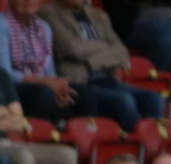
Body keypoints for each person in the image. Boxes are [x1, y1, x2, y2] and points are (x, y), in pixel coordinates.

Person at [0, 16, 77, 164]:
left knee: (66, 155)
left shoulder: (1, 75)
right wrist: (1, 111)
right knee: (23, 157)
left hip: (5, 143)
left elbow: (16, 121)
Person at [42, 0, 163, 129]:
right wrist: (104, 46)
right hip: (81, 82)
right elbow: (72, 48)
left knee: (154, 99)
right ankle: (125, 144)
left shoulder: (98, 15)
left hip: (107, 79)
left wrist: (90, 61)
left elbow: (121, 52)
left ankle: (149, 146)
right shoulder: (49, 13)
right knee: (125, 101)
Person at [0, 0, 71, 124]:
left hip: (43, 84)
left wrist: (58, 88)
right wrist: (45, 82)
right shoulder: (0, 24)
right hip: (13, 87)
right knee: (43, 93)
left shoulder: (44, 27)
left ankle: (80, 141)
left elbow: (49, 70)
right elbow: (3, 73)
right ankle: (38, 136)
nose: (29, 1)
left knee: (83, 95)